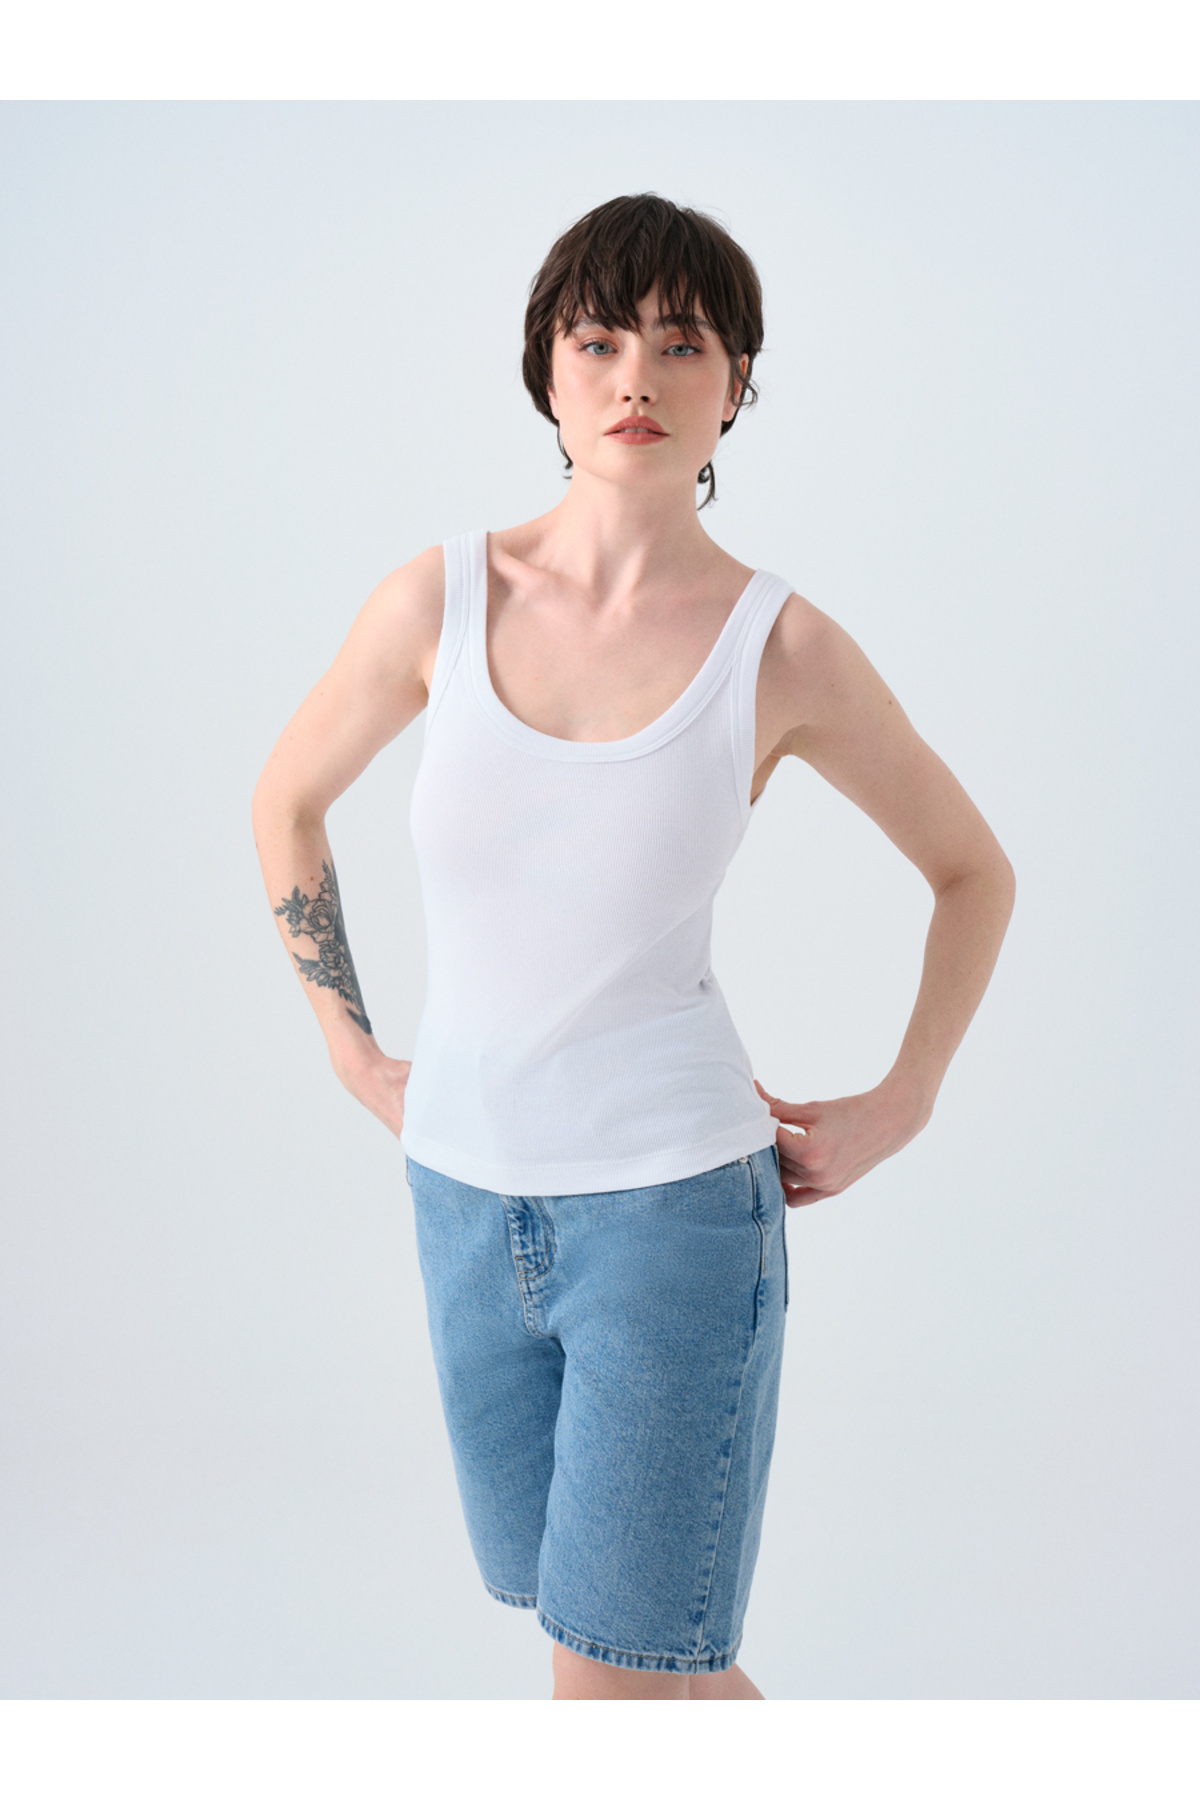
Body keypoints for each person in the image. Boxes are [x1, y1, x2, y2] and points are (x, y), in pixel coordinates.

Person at [250, 193, 1015, 1701]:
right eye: (598, 341)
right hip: (463, 1200)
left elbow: (970, 870)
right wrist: (349, 1050)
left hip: (673, 1218)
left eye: (682, 343)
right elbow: (286, 802)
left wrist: (907, 1096)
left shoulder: (780, 646)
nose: (636, 379)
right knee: (642, 1657)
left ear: (737, 384)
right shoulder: (435, 600)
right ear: (546, 370)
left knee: (611, 1681)